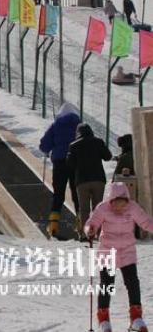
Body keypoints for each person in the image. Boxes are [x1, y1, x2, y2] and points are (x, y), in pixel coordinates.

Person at [85, 182, 153, 332]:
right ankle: (104, 320)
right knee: (107, 284)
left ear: (127, 201)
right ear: (111, 200)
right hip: (107, 251)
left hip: (127, 251)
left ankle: (136, 318)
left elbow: (146, 222)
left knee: (133, 283)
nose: (119, 207)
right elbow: (92, 222)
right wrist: (90, 229)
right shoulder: (103, 208)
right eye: (116, 204)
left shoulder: (133, 208)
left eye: (123, 204)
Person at [39, 102, 81, 238]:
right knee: (76, 192)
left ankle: (53, 224)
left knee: (58, 193)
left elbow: (45, 144)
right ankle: (80, 222)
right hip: (76, 162)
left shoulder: (56, 125)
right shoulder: (79, 126)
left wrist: (47, 150)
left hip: (59, 162)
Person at [68, 123, 113, 239]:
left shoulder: (73, 145)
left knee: (84, 209)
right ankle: (98, 233)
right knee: (98, 207)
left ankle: (84, 234)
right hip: (98, 179)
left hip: (82, 181)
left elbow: (70, 164)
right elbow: (108, 156)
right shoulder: (98, 142)